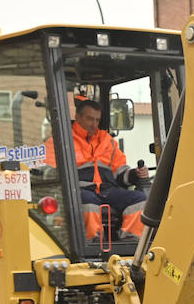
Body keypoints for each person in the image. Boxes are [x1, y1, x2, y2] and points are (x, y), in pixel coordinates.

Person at [45, 97, 147, 240]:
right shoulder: (60, 141)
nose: (94, 124)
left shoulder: (107, 141)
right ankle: (94, 243)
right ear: (77, 117)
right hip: (78, 190)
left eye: (97, 120)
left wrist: (135, 174)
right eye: (90, 119)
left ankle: (130, 242)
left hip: (107, 190)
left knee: (140, 199)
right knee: (89, 203)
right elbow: (48, 172)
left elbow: (120, 171)